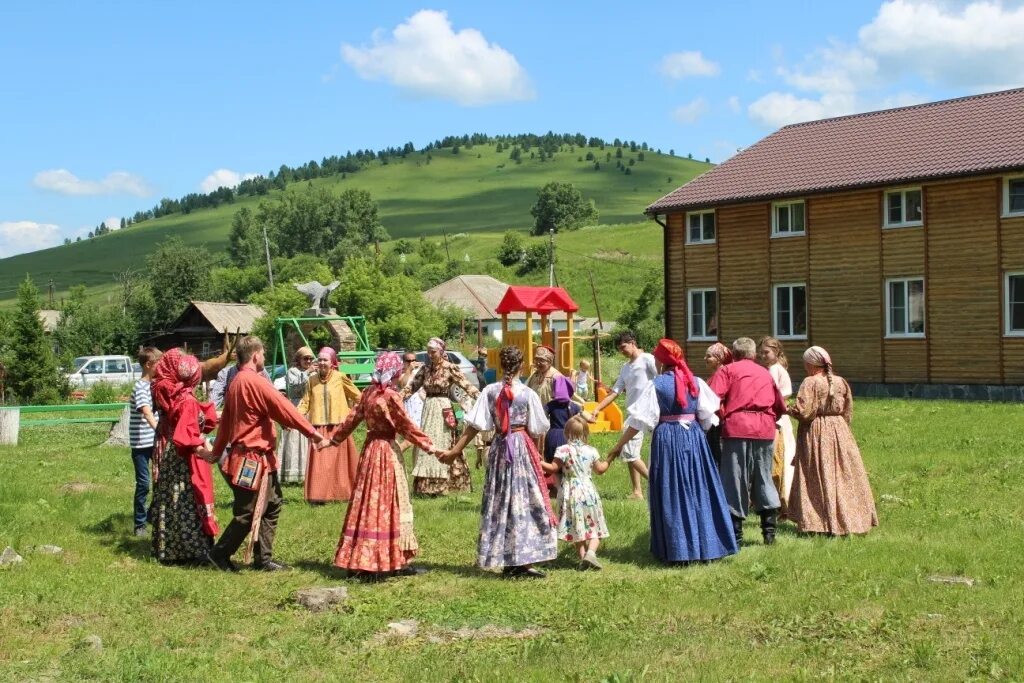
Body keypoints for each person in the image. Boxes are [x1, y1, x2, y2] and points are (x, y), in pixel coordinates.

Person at [205, 336, 329, 572]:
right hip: (251, 459)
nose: (263, 357)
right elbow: (284, 409)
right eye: (262, 353)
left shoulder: (236, 382)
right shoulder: (254, 381)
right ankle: (219, 554)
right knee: (247, 512)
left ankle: (263, 559)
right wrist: (313, 434)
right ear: (255, 355)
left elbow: (227, 423)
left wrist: (217, 452)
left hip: (256, 458)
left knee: (272, 504)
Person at [610, 339, 738, 564]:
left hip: (667, 439)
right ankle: (706, 546)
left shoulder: (656, 385)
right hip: (694, 438)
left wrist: (617, 446)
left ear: (661, 360)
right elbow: (708, 417)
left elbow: (639, 421)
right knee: (698, 489)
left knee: (672, 490)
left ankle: (679, 550)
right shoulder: (696, 381)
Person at [443, 346, 557, 579]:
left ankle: (507, 558)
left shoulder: (490, 391)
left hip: (500, 448)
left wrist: (455, 451)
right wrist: (538, 456)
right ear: (522, 366)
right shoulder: (528, 393)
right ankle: (520, 559)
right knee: (524, 500)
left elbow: (474, 426)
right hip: (521, 448)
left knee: (501, 500)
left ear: (501, 365)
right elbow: (537, 429)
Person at [331, 352, 444, 581]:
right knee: (389, 502)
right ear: (395, 371)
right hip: (385, 453)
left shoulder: (369, 393)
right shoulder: (391, 396)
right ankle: (385, 560)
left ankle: (359, 559)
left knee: (367, 502)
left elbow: (351, 419)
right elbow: (406, 426)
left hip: (370, 450)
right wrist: (430, 446)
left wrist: (333, 439)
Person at [788, 346, 878, 536]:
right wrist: (840, 427)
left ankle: (820, 521)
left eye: (805, 362)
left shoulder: (810, 382)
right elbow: (848, 410)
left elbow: (804, 411)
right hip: (839, 430)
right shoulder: (841, 381)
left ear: (811, 363)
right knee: (842, 473)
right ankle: (851, 518)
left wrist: (789, 410)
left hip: (817, 431)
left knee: (818, 474)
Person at [709, 337, 787, 546]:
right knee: (764, 476)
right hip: (764, 428)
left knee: (734, 478)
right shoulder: (765, 373)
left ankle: (736, 535)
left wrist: (723, 416)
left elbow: (712, 398)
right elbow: (780, 405)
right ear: (753, 354)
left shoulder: (727, 371)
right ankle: (769, 534)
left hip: (736, 427)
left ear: (734, 354)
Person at [148, 349, 220, 565]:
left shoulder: (173, 392)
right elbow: (187, 435)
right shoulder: (186, 400)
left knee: (170, 498)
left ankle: (169, 548)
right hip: (184, 457)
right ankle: (192, 550)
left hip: (170, 452)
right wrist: (206, 453)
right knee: (187, 499)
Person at [583, 331, 658, 500]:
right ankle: (637, 491)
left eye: (623, 347)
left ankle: (656, 485)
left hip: (650, 412)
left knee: (631, 453)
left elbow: (660, 379)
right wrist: (597, 409)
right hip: (633, 413)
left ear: (633, 343)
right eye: (619, 349)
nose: (621, 351)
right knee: (630, 451)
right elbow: (615, 391)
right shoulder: (625, 368)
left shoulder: (647, 359)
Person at [401, 337, 479, 496]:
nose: (430, 355)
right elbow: (411, 388)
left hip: (443, 408)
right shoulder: (425, 370)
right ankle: (426, 488)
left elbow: (466, 385)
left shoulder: (450, 368)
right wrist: (394, 399)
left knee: (446, 441)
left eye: (433, 352)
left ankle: (448, 485)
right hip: (428, 408)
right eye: (428, 352)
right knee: (427, 443)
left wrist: (483, 398)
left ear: (441, 351)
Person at [541, 415, 610, 570]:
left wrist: (539, 462)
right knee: (595, 527)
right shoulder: (591, 451)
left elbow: (553, 468)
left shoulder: (563, 450)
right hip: (588, 493)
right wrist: (610, 458)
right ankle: (591, 553)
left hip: (570, 493)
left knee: (576, 529)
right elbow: (600, 470)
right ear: (586, 433)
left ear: (566, 433)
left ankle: (583, 559)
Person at [298, 347, 361, 504]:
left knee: (340, 464)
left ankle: (343, 494)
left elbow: (359, 397)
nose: (321, 362)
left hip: (338, 427)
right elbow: (305, 402)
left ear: (332, 363)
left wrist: (352, 415)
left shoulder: (340, 377)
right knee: (320, 465)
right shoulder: (311, 380)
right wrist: (294, 417)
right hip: (318, 427)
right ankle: (318, 496)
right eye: (319, 359)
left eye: (325, 360)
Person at [759, 336, 796, 515]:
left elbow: (784, 393)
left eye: (766, 352)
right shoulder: (770, 369)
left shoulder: (777, 369)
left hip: (778, 418)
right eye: (761, 353)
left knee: (780, 456)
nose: (763, 356)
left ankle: (783, 498)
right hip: (772, 416)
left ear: (776, 352)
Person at [128, 346, 161, 537]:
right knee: (144, 484)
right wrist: (160, 430)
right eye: (158, 364)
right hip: (141, 445)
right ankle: (139, 524)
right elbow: (147, 413)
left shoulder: (154, 386)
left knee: (160, 481)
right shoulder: (140, 387)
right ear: (148, 365)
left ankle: (151, 515)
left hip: (153, 442)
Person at [277, 346, 315, 484]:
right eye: (306, 358)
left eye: (311, 358)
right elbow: (295, 386)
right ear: (299, 359)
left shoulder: (313, 373)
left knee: (306, 440)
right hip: (296, 406)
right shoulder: (292, 371)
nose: (309, 361)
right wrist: (307, 373)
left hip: (310, 409)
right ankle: (291, 474)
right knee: (294, 440)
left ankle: (307, 472)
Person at [542, 374, 581, 496]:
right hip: (568, 437)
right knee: (568, 464)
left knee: (554, 463)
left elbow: (542, 418)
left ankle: (557, 488)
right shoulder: (575, 406)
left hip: (553, 435)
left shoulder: (550, 405)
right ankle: (569, 490)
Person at [703, 342, 734, 466]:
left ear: (719, 358)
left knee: (717, 456)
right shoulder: (716, 374)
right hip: (716, 420)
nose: (705, 359)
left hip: (718, 420)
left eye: (709, 356)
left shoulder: (720, 374)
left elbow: (715, 398)